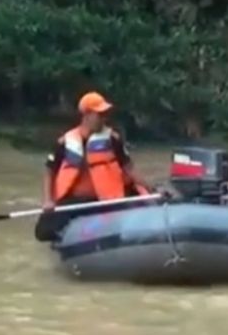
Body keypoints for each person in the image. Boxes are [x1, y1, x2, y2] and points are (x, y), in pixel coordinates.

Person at [34, 91, 152, 242]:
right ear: (87, 115)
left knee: (139, 208)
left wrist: (150, 188)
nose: (104, 119)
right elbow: (49, 171)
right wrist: (48, 200)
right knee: (43, 232)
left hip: (106, 199)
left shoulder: (112, 139)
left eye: (105, 114)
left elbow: (129, 169)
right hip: (76, 201)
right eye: (100, 114)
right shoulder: (65, 142)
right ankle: (70, 242)